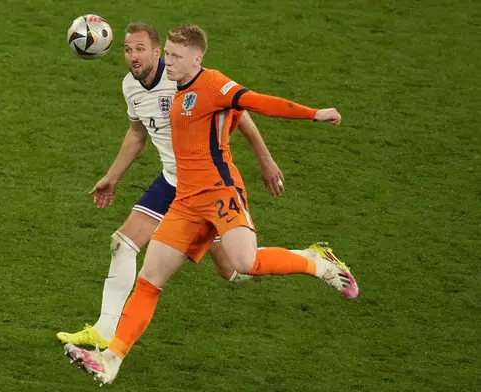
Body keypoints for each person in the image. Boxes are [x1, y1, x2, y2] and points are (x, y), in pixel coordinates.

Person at [64, 24, 360, 385]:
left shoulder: (213, 84)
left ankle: (315, 261)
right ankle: (111, 358)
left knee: (244, 263)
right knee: (149, 280)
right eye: (167, 54)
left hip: (220, 191)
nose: (167, 62)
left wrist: (314, 113)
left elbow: (257, 103)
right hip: (184, 199)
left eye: (173, 56)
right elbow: (141, 132)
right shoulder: (156, 88)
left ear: (196, 58)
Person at [57, 23, 287, 349]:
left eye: (140, 49)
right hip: (171, 182)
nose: (133, 56)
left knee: (233, 268)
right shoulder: (130, 87)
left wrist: (265, 159)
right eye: (127, 49)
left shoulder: (186, 79)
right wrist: (112, 176)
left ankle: (309, 260)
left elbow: (240, 113)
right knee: (123, 243)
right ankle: (104, 329)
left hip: (207, 185)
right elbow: (137, 134)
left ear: (156, 52)